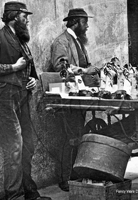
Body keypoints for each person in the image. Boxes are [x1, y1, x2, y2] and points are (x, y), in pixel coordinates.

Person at [0, 2, 51, 200]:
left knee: (28, 143)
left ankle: (29, 191)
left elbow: (29, 67)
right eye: (24, 16)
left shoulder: (21, 40)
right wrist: (13, 67)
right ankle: (13, 195)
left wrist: (32, 79)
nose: (27, 20)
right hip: (5, 98)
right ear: (13, 16)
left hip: (22, 96)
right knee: (13, 146)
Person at [48, 8, 101, 192]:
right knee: (70, 138)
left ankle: (75, 176)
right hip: (67, 99)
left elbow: (83, 65)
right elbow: (61, 68)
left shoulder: (77, 42)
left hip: (79, 97)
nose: (87, 27)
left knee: (77, 136)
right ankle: (65, 179)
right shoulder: (61, 42)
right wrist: (84, 71)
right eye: (85, 22)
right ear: (75, 22)